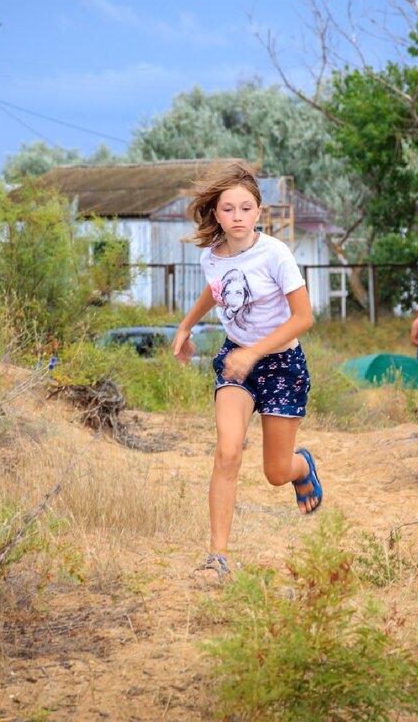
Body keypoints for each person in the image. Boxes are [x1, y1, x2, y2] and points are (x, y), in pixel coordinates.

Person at [172, 161, 322, 579]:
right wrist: (186, 326)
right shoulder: (211, 257)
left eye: (245, 208)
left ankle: (302, 467)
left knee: (275, 472)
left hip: (281, 365)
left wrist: (255, 351)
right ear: (216, 214)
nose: (236, 217)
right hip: (236, 361)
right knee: (227, 451)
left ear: (258, 212)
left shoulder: (275, 254)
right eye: (227, 209)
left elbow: (303, 317)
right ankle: (217, 556)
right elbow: (214, 288)